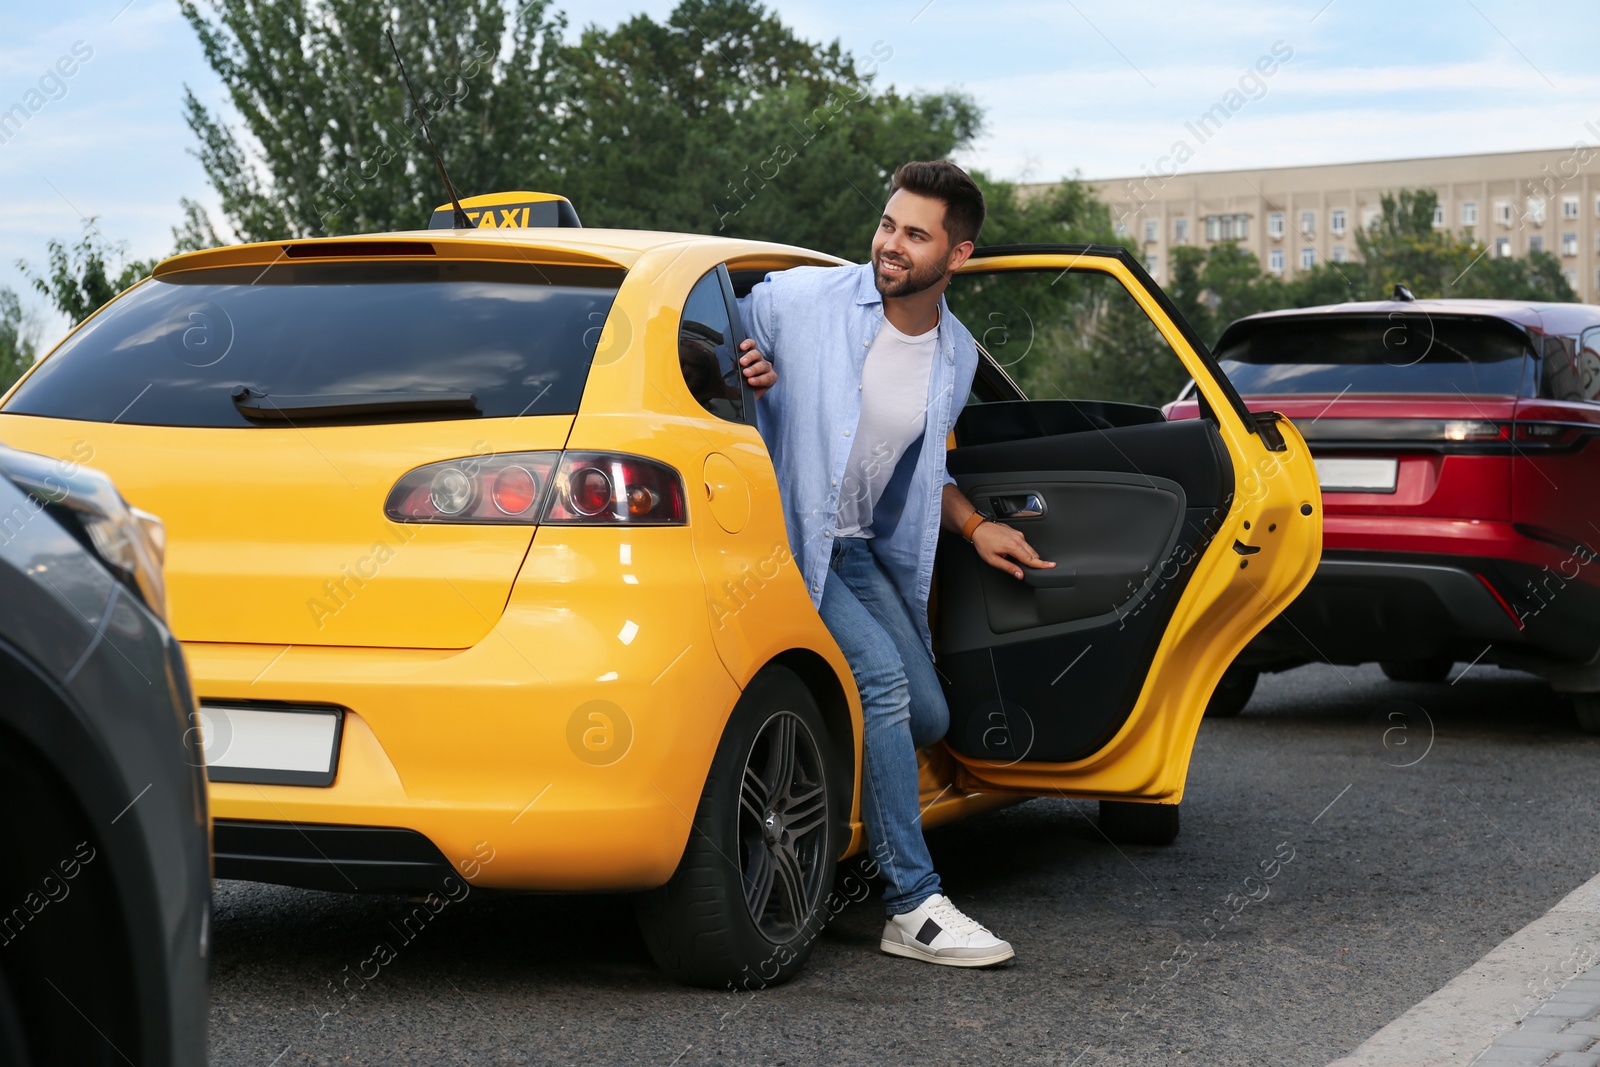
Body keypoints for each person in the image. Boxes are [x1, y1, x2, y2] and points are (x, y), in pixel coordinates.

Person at [730, 160, 1055, 967]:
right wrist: (743, 373)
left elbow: (925, 471)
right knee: (880, 683)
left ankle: (822, 813)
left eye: (915, 234)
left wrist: (976, 526)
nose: (890, 246)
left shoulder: (956, 357)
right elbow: (706, 340)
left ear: (959, 255)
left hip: (859, 548)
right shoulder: (801, 299)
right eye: (887, 224)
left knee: (929, 718)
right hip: (785, 538)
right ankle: (912, 901)